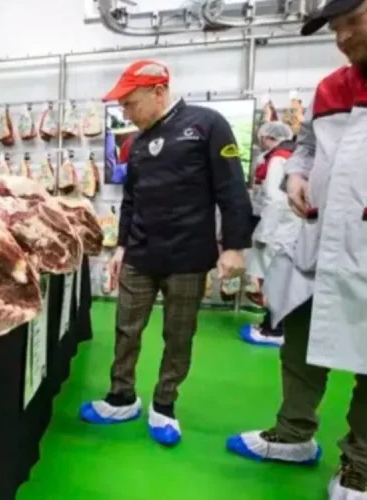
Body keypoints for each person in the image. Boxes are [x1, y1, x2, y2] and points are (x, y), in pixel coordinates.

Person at [227, 1, 367, 498]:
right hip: (319, 244)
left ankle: (362, 469)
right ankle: (293, 434)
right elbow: (309, 146)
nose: (342, 36)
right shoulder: (332, 87)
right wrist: (296, 172)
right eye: (335, 27)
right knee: (300, 344)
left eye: (355, 20)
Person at [78, 59, 252, 447]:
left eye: (130, 103)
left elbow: (231, 189)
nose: (126, 112)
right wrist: (121, 246)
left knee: (179, 336)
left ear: (158, 92)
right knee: (125, 329)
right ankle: (121, 396)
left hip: (188, 258)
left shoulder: (207, 125)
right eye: (122, 106)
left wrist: (235, 247)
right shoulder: (136, 143)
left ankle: (164, 404)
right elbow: (130, 201)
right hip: (141, 254)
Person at [240, 121, 299, 347]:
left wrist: (263, 234)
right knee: (280, 279)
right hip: (287, 227)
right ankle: (272, 326)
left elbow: (274, 200)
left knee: (274, 280)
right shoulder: (290, 155)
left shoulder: (277, 159)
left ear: (267, 137)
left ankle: (274, 330)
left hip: (278, 229)